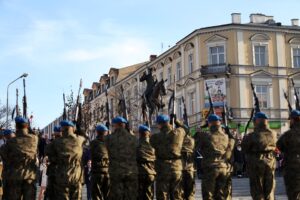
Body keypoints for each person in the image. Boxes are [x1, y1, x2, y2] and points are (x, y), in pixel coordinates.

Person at [194, 114, 233, 200]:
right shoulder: (226, 136)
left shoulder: (205, 136)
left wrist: (200, 128)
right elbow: (230, 149)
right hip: (223, 167)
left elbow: (194, 145)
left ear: (209, 123)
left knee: (208, 195)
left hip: (210, 168)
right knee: (221, 195)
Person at [0, 117, 38, 200]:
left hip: (14, 177)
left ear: (16, 127)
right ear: (27, 126)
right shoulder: (34, 139)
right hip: (30, 177)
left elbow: (4, 155)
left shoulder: (10, 142)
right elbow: (32, 134)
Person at [46, 120, 85, 200]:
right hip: (76, 174)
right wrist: (77, 128)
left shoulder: (56, 142)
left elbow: (48, 152)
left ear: (61, 129)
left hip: (61, 174)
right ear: (72, 128)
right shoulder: (79, 140)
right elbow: (85, 137)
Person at [242, 112, 277, 200]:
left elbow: (244, 148)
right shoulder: (273, 133)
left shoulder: (252, 135)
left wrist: (245, 138)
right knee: (269, 190)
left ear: (256, 121)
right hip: (270, 162)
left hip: (256, 162)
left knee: (257, 189)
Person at [150, 115, 185, 200]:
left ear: (159, 125)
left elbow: (152, 145)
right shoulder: (179, 133)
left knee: (162, 194)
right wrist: (177, 121)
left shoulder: (155, 137)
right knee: (177, 195)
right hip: (176, 167)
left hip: (162, 168)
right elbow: (185, 129)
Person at [105, 117, 138, 200]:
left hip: (116, 171)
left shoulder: (109, 138)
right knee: (130, 195)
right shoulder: (133, 138)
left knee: (117, 195)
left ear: (115, 125)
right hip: (131, 170)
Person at [277, 110, 300, 200]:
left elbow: (279, 145)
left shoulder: (288, 135)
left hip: (292, 170)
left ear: (293, 120)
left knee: (293, 194)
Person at [90, 124, 110, 200]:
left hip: (97, 172)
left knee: (96, 196)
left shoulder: (93, 143)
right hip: (108, 172)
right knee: (108, 195)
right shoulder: (110, 143)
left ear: (97, 132)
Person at [176, 120, 195, 200]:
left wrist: (177, 122)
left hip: (181, 168)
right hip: (189, 169)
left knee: (181, 192)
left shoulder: (183, 140)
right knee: (189, 193)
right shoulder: (191, 139)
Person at [137, 125, 156, 200]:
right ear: (149, 133)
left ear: (139, 133)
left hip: (139, 173)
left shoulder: (135, 144)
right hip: (150, 173)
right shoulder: (154, 144)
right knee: (149, 195)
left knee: (139, 195)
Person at [44, 125, 61, 200]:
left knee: (51, 191)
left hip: (53, 170)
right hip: (62, 170)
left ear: (54, 133)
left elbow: (46, 154)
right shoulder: (66, 143)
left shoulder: (51, 144)